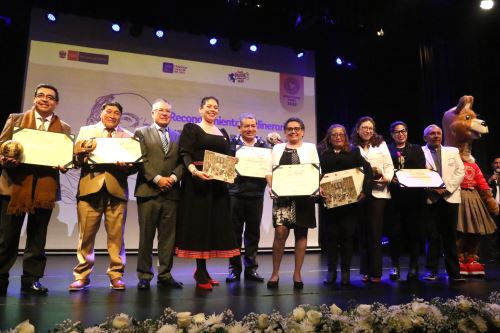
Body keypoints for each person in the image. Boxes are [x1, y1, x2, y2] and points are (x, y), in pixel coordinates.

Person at [0, 83, 71, 295]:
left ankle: (31, 280)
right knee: (6, 238)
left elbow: (67, 158)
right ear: (33, 99)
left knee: (37, 239)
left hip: (45, 190)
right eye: (40, 95)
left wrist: (65, 163)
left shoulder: (64, 128)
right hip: (14, 187)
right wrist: (5, 158)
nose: (44, 99)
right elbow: (2, 146)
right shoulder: (16, 119)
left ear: (56, 103)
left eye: (50, 97)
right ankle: (1, 278)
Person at [68, 102, 136, 291]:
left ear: (120, 116)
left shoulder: (128, 137)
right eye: (109, 111)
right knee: (86, 236)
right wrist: (80, 154)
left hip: (117, 190)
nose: (112, 115)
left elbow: (135, 165)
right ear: (101, 113)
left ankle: (116, 275)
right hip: (90, 189)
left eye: (117, 113)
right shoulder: (86, 131)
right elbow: (74, 160)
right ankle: (82, 275)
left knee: (116, 237)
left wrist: (127, 166)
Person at [176, 96, 239, 291]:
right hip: (197, 184)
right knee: (200, 226)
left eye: (215, 107)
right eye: (208, 106)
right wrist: (194, 172)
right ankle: (200, 271)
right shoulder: (191, 128)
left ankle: (203, 271)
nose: (212, 109)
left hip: (218, 186)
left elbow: (226, 157)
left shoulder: (223, 132)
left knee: (213, 226)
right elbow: (184, 153)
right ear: (200, 110)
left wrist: (232, 164)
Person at [134, 99, 185, 290]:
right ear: (152, 113)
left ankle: (165, 275)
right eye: (160, 111)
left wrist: (172, 177)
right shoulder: (141, 133)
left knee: (168, 238)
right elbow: (141, 160)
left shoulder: (178, 136)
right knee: (146, 237)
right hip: (148, 192)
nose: (164, 114)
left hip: (171, 193)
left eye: (167, 111)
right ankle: (144, 276)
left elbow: (183, 162)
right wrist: (157, 178)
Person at [265, 117, 319, 289]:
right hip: (283, 197)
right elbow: (269, 171)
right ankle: (275, 273)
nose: (293, 131)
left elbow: (317, 169)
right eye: (289, 129)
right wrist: (271, 187)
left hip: (304, 196)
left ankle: (297, 273)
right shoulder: (277, 148)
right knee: (280, 232)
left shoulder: (310, 148)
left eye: (297, 128)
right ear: (285, 132)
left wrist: (314, 187)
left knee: (301, 234)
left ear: (302, 131)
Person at [317, 124, 372, 286]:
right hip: (329, 203)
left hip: (350, 205)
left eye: (341, 134)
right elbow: (315, 173)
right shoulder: (322, 153)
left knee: (347, 238)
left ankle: (346, 273)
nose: (338, 137)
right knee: (331, 238)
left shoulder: (354, 152)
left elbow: (367, 171)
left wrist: (365, 192)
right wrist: (317, 187)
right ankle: (331, 271)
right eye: (334, 135)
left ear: (346, 137)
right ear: (329, 137)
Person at [226, 113, 270, 283]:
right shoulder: (231, 145)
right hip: (235, 194)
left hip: (256, 194)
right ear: (239, 128)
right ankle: (234, 270)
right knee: (234, 233)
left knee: (253, 233)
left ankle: (251, 269)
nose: (250, 129)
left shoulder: (264, 146)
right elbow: (223, 168)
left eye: (253, 126)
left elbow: (268, 169)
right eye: (246, 126)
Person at [350, 116, 394, 283]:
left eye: (370, 128)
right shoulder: (352, 146)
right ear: (358, 129)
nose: (367, 130)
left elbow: (389, 166)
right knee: (362, 233)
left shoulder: (380, 144)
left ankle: (376, 272)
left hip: (378, 192)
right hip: (360, 193)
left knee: (375, 233)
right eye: (364, 128)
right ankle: (365, 272)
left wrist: (387, 178)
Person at [421, 124, 465, 283]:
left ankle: (454, 273)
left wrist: (446, 188)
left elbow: (460, 171)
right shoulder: (420, 152)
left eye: (438, 133)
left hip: (450, 197)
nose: (436, 135)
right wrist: (432, 188)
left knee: (450, 236)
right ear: (425, 137)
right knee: (432, 236)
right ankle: (431, 271)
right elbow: (418, 174)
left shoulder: (452, 151)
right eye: (432, 133)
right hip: (430, 198)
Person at [386, 121, 427, 281]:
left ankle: (413, 266)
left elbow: (420, 169)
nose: (400, 134)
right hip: (394, 198)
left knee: (413, 233)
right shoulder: (386, 150)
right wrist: (392, 178)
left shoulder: (416, 149)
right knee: (394, 234)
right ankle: (394, 265)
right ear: (392, 135)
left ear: (407, 133)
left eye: (403, 131)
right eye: (396, 132)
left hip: (414, 198)